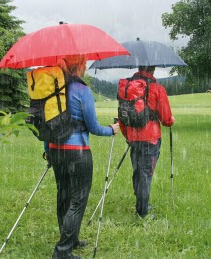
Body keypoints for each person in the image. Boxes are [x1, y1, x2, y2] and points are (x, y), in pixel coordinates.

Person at [44, 56, 119, 259]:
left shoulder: (52, 89)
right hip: (77, 152)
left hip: (55, 150)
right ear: (81, 66)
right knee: (77, 201)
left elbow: (47, 126)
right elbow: (93, 127)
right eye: (85, 63)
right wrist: (111, 130)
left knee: (64, 196)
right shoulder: (82, 91)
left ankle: (71, 240)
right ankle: (63, 251)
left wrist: (48, 150)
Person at [119, 66, 174, 218]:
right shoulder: (157, 88)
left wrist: (128, 135)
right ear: (153, 69)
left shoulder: (128, 88)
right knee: (145, 174)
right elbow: (167, 119)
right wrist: (171, 121)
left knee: (138, 172)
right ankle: (142, 212)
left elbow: (123, 115)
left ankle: (140, 204)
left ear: (139, 68)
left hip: (133, 137)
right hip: (150, 139)